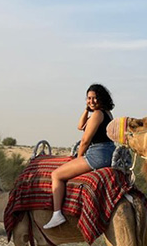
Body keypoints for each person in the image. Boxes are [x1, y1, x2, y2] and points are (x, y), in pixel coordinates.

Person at [44, 83, 116, 229]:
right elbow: (80, 126)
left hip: (97, 154)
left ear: (101, 98)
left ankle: (57, 214)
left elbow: (85, 140)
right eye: (89, 98)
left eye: (95, 98)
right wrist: (86, 109)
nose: (91, 101)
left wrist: (79, 157)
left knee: (56, 175)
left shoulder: (97, 114)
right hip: (109, 152)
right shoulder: (107, 113)